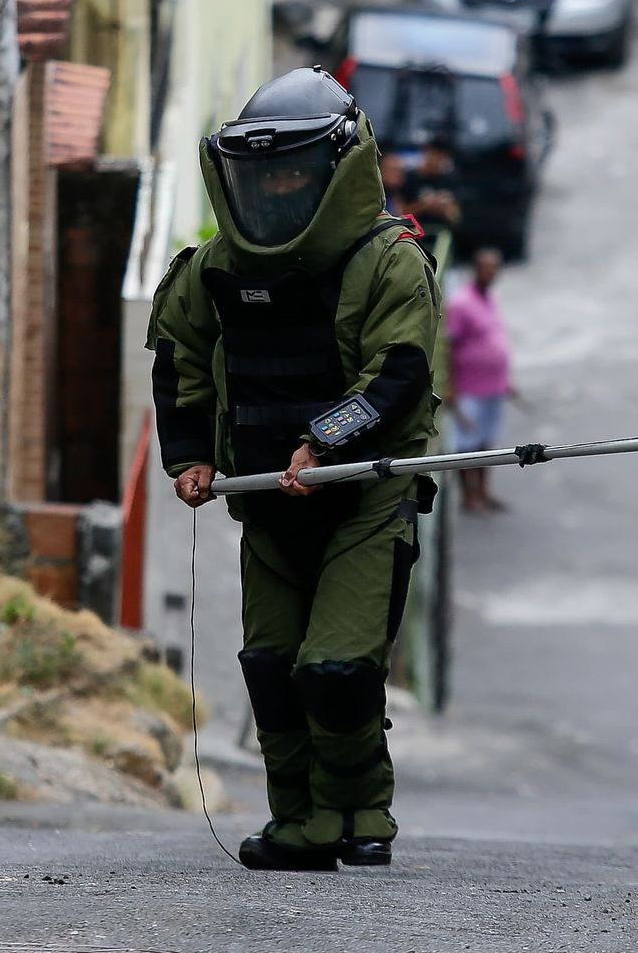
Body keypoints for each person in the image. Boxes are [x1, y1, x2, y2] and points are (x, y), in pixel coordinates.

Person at [146, 67, 442, 872]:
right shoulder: (211, 272)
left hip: (365, 499)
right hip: (266, 507)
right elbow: (179, 364)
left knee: (337, 668)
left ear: (338, 171)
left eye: (294, 170)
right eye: (262, 171)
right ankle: (303, 821)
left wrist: (325, 446)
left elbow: (398, 373)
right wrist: (191, 457)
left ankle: (362, 811)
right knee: (273, 668)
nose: (276, 186)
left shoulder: (390, 264)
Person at [446, 249, 513, 514]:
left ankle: (484, 492)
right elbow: (449, 346)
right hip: (468, 386)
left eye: (495, 268)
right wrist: (450, 387)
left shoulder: (491, 298)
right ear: (476, 269)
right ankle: (468, 496)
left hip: (493, 385)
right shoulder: (461, 304)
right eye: (486, 268)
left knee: (486, 441)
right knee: (467, 444)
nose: (491, 273)